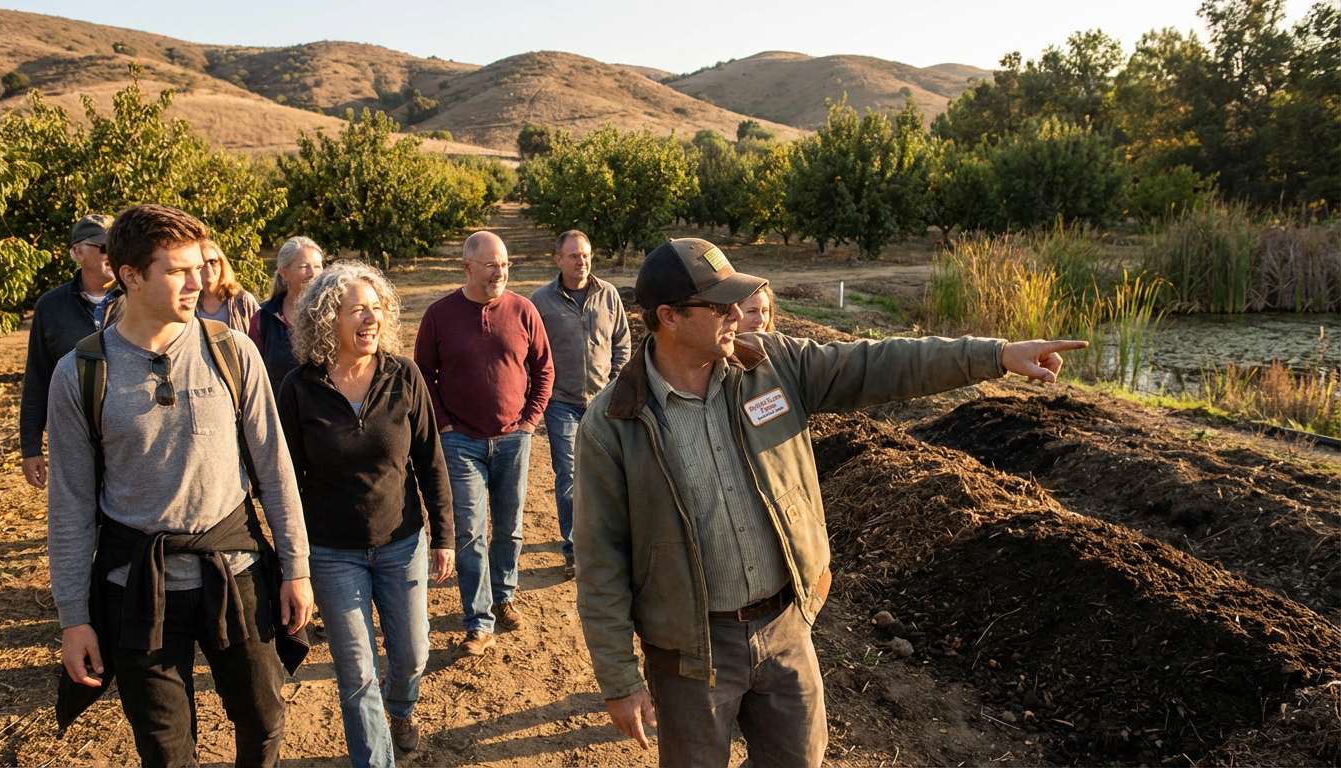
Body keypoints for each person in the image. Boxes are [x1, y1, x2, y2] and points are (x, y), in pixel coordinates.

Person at [573, 237, 1087, 766]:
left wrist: (995, 354)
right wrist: (618, 678)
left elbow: (881, 364)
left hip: (785, 626)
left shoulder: (773, 366)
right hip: (689, 652)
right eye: (718, 305)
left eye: (737, 301)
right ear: (669, 317)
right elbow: (600, 559)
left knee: (800, 759)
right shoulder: (612, 424)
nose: (737, 315)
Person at [47, 204, 314, 767]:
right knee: (165, 751)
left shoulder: (232, 352)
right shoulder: (80, 373)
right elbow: (69, 504)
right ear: (131, 275)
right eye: (178, 270)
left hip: (235, 571)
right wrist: (74, 618)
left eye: (200, 267)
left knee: (264, 722)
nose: (199, 281)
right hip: (137, 585)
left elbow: (274, 469)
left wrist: (296, 568)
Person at [277, 262, 456, 763]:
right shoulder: (298, 387)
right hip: (333, 554)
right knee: (356, 672)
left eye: (377, 308)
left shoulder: (404, 375)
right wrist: (294, 561)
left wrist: (443, 535)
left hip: (402, 542)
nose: (371, 318)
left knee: (413, 655)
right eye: (358, 310)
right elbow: (284, 481)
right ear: (328, 319)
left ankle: (400, 709)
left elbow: (430, 459)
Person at [414, 231, 553, 656]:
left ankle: (503, 595)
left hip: (514, 439)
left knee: (509, 528)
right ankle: (478, 621)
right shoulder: (440, 315)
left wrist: (529, 422)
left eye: (505, 263)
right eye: (491, 264)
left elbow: (544, 370)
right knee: (470, 534)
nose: (500, 272)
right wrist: (445, 427)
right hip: (461, 444)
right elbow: (422, 377)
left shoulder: (523, 310)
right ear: (467, 267)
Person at [529, 230, 630, 580]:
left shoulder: (609, 295)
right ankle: (574, 548)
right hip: (561, 405)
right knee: (570, 478)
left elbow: (622, 342)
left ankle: (605, 542)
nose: (582, 261)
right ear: (558, 260)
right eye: (574, 256)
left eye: (586, 255)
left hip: (603, 402)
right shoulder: (540, 301)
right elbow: (533, 355)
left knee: (607, 475)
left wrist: (615, 385)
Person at [20, 214, 123, 489]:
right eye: (103, 247)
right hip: (73, 435)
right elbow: (38, 378)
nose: (111, 254)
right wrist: (30, 448)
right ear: (76, 252)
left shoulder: (140, 299)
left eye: (116, 245)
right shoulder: (51, 307)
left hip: (130, 434)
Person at [249, 236, 323, 395]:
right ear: (284, 273)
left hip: (326, 415)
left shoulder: (333, 314)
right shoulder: (263, 319)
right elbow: (253, 377)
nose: (313, 273)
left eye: (318, 266)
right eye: (304, 267)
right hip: (280, 414)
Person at [197, 239, 261, 334]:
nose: (208, 268)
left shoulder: (242, 300)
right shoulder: (188, 302)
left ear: (222, 264)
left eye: (213, 262)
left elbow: (263, 336)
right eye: (201, 263)